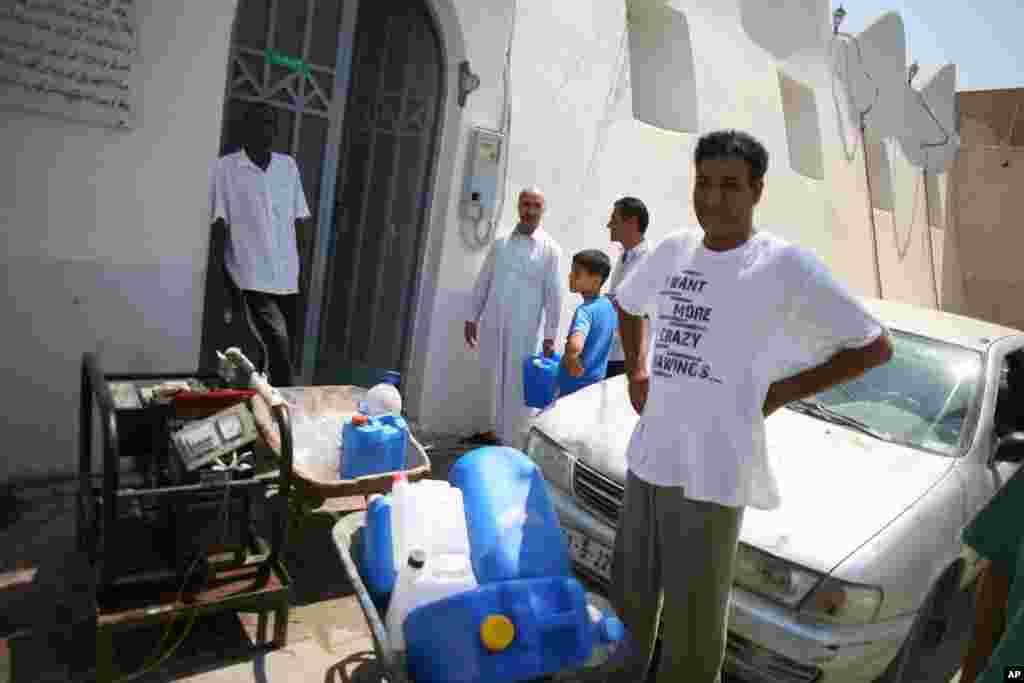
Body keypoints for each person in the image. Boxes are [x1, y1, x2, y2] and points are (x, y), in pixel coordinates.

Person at [608, 130, 894, 682]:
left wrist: (781, 392)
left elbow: (875, 345)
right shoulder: (673, 249)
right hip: (650, 456)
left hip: (714, 472)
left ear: (758, 191)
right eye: (705, 183)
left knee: (694, 629)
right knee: (628, 606)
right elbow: (628, 302)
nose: (713, 198)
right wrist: (638, 368)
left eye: (730, 186)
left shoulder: (784, 265)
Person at [210, 102, 311, 387]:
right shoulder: (227, 168)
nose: (265, 131)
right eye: (259, 124)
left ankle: (267, 414)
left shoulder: (288, 167)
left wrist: (304, 272)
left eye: (270, 124)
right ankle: (286, 411)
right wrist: (225, 283)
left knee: (275, 352)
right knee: (278, 347)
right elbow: (220, 225)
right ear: (246, 129)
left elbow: (300, 221)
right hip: (249, 278)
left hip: (287, 279)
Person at [463, 188, 564, 448]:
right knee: (491, 380)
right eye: (525, 204)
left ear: (543, 210)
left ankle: (514, 443)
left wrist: (551, 335)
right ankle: (491, 434)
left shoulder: (550, 250)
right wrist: (472, 316)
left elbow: (554, 295)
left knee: (518, 387)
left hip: (526, 331)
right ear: (518, 206)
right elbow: (484, 279)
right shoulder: (501, 242)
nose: (530, 210)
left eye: (536, 206)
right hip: (494, 325)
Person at [557, 249, 617, 398]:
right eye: (572, 272)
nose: (570, 276)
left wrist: (571, 357)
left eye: (577, 273)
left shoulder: (584, 311)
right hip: (595, 386)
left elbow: (575, 345)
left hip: (573, 388)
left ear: (596, 280)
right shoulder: (608, 306)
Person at [605, 197, 653, 380]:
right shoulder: (624, 256)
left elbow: (638, 308)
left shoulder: (648, 259)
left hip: (630, 358)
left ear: (631, 222)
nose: (609, 225)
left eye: (614, 220)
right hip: (613, 352)